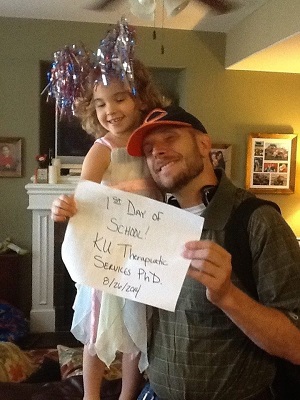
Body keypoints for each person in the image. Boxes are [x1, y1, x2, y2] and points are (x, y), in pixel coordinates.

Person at [124, 105, 300, 400]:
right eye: (149, 148)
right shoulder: (153, 226)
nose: (157, 151)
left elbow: (296, 345)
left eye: (170, 138)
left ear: (204, 144)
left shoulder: (258, 222)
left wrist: (228, 296)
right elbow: (138, 329)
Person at [51, 28, 169, 400]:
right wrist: (65, 207)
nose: (110, 110)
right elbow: (83, 199)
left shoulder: (153, 141)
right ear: (92, 109)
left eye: (119, 99)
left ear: (139, 98)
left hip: (143, 254)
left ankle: (127, 396)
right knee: (99, 330)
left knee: (137, 331)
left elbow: (165, 190)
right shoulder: (101, 150)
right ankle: (90, 395)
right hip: (107, 255)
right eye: (100, 104)